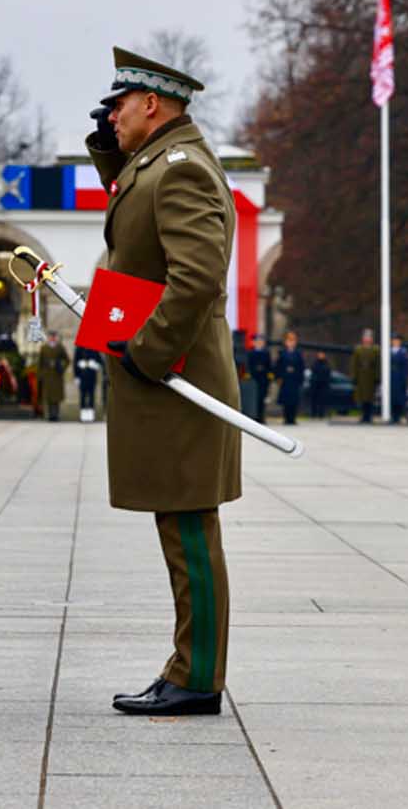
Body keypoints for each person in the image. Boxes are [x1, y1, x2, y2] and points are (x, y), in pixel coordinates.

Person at [87, 47, 239, 716]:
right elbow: (136, 214)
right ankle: (188, 666)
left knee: (190, 534)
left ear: (151, 104)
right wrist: (109, 148)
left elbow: (195, 277)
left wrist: (146, 352)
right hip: (171, 377)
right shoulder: (163, 161)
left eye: (119, 106)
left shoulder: (181, 169)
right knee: (180, 529)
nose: (111, 116)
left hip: (179, 378)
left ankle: (197, 676)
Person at [273, 331, 305, 425]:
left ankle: (293, 418)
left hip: (294, 379)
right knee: (286, 400)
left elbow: (301, 367)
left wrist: (300, 379)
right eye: (289, 340)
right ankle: (286, 418)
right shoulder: (282, 353)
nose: (291, 342)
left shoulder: (298, 354)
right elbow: (278, 366)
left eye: (293, 340)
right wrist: (278, 378)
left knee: (294, 400)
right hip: (285, 379)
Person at [37, 330, 69, 422]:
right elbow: (40, 363)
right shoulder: (44, 348)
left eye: (53, 336)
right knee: (48, 397)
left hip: (57, 375)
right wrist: (41, 374)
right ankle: (50, 415)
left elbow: (67, 360)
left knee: (56, 397)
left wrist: (61, 368)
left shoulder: (60, 347)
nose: (52, 338)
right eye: (51, 336)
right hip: (47, 375)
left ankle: (56, 414)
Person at [350, 328, 380, 424]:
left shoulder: (375, 350)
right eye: (365, 337)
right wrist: (354, 376)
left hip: (371, 377)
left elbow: (378, 364)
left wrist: (377, 377)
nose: (367, 339)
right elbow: (354, 364)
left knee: (370, 398)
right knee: (362, 398)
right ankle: (363, 416)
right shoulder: (358, 349)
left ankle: (369, 416)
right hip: (361, 377)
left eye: (369, 337)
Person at [246, 333, 271, 422]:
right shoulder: (250, 353)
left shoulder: (266, 353)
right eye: (258, 341)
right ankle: (253, 417)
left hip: (263, 379)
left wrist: (269, 377)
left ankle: (261, 417)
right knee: (253, 398)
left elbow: (269, 366)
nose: (259, 343)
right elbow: (248, 366)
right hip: (254, 379)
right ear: (254, 342)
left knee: (262, 398)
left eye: (261, 341)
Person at [74, 345, 102, 422]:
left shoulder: (94, 348)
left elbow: (100, 361)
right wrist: (76, 376)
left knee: (91, 395)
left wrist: (94, 364)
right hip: (82, 376)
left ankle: (90, 415)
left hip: (91, 376)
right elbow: (75, 362)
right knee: (83, 396)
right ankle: (83, 416)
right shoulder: (79, 348)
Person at [389, 335, 408, 423]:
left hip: (399, 377)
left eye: (397, 341)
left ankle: (397, 416)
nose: (396, 342)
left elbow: (405, 366)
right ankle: (392, 415)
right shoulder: (388, 351)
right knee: (391, 396)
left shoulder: (403, 352)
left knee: (399, 397)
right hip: (390, 376)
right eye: (394, 340)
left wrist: (405, 378)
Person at [309, 351, 332, 418]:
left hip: (323, 384)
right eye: (319, 355)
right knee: (314, 399)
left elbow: (328, 374)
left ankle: (321, 414)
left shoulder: (326, 364)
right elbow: (313, 372)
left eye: (322, 355)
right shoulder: (315, 363)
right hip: (315, 384)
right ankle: (313, 414)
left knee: (322, 400)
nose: (321, 356)